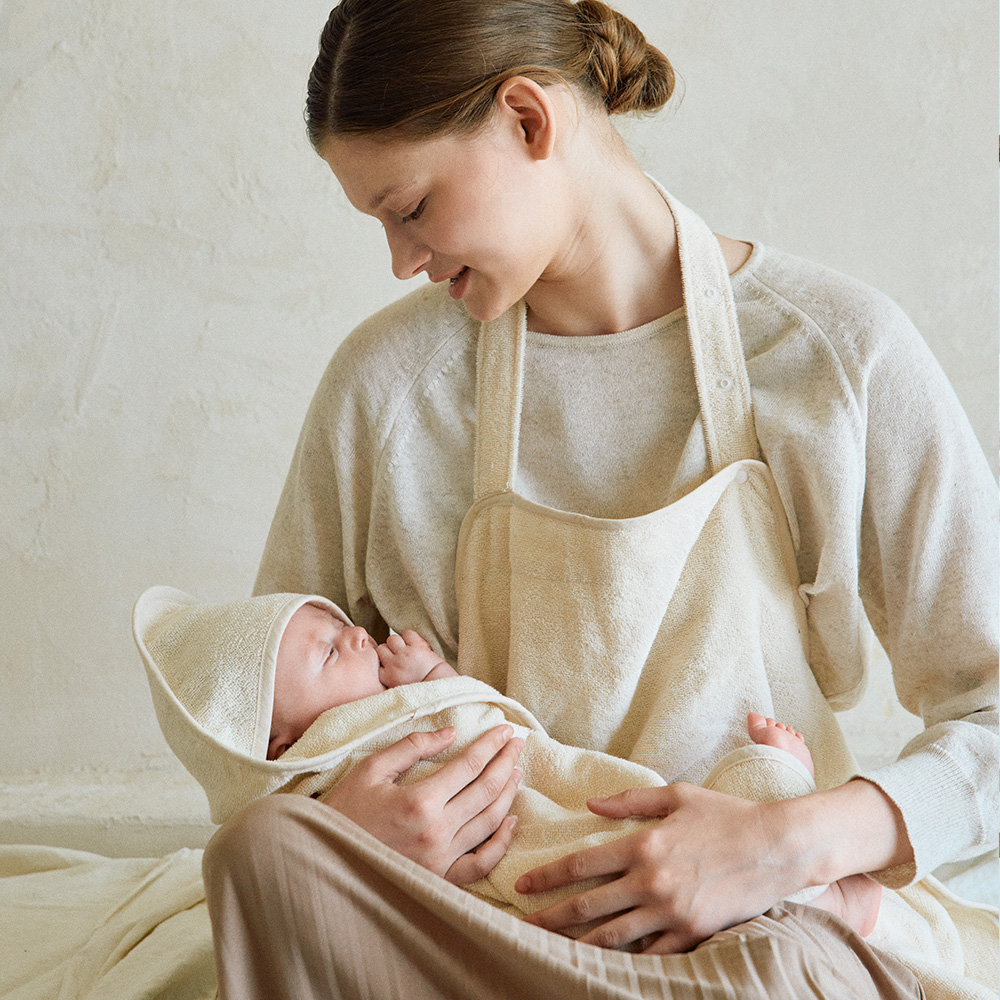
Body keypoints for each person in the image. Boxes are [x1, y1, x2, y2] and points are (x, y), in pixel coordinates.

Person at [202, 1, 998, 997]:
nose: (402, 261)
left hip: (752, 940)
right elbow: (256, 725)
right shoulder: (384, 391)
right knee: (262, 853)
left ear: (528, 120)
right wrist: (346, 823)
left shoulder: (836, 355)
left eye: (411, 208)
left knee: (781, 962)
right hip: (488, 931)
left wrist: (784, 843)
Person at [132, 584, 879, 936]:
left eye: (339, 624)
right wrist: (340, 841)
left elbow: (459, 711)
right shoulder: (325, 769)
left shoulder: (383, 701)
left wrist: (434, 679)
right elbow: (279, 851)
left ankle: (787, 847)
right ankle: (784, 822)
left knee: (657, 838)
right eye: (329, 651)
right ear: (282, 747)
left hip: (554, 791)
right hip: (507, 857)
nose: (358, 635)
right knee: (595, 875)